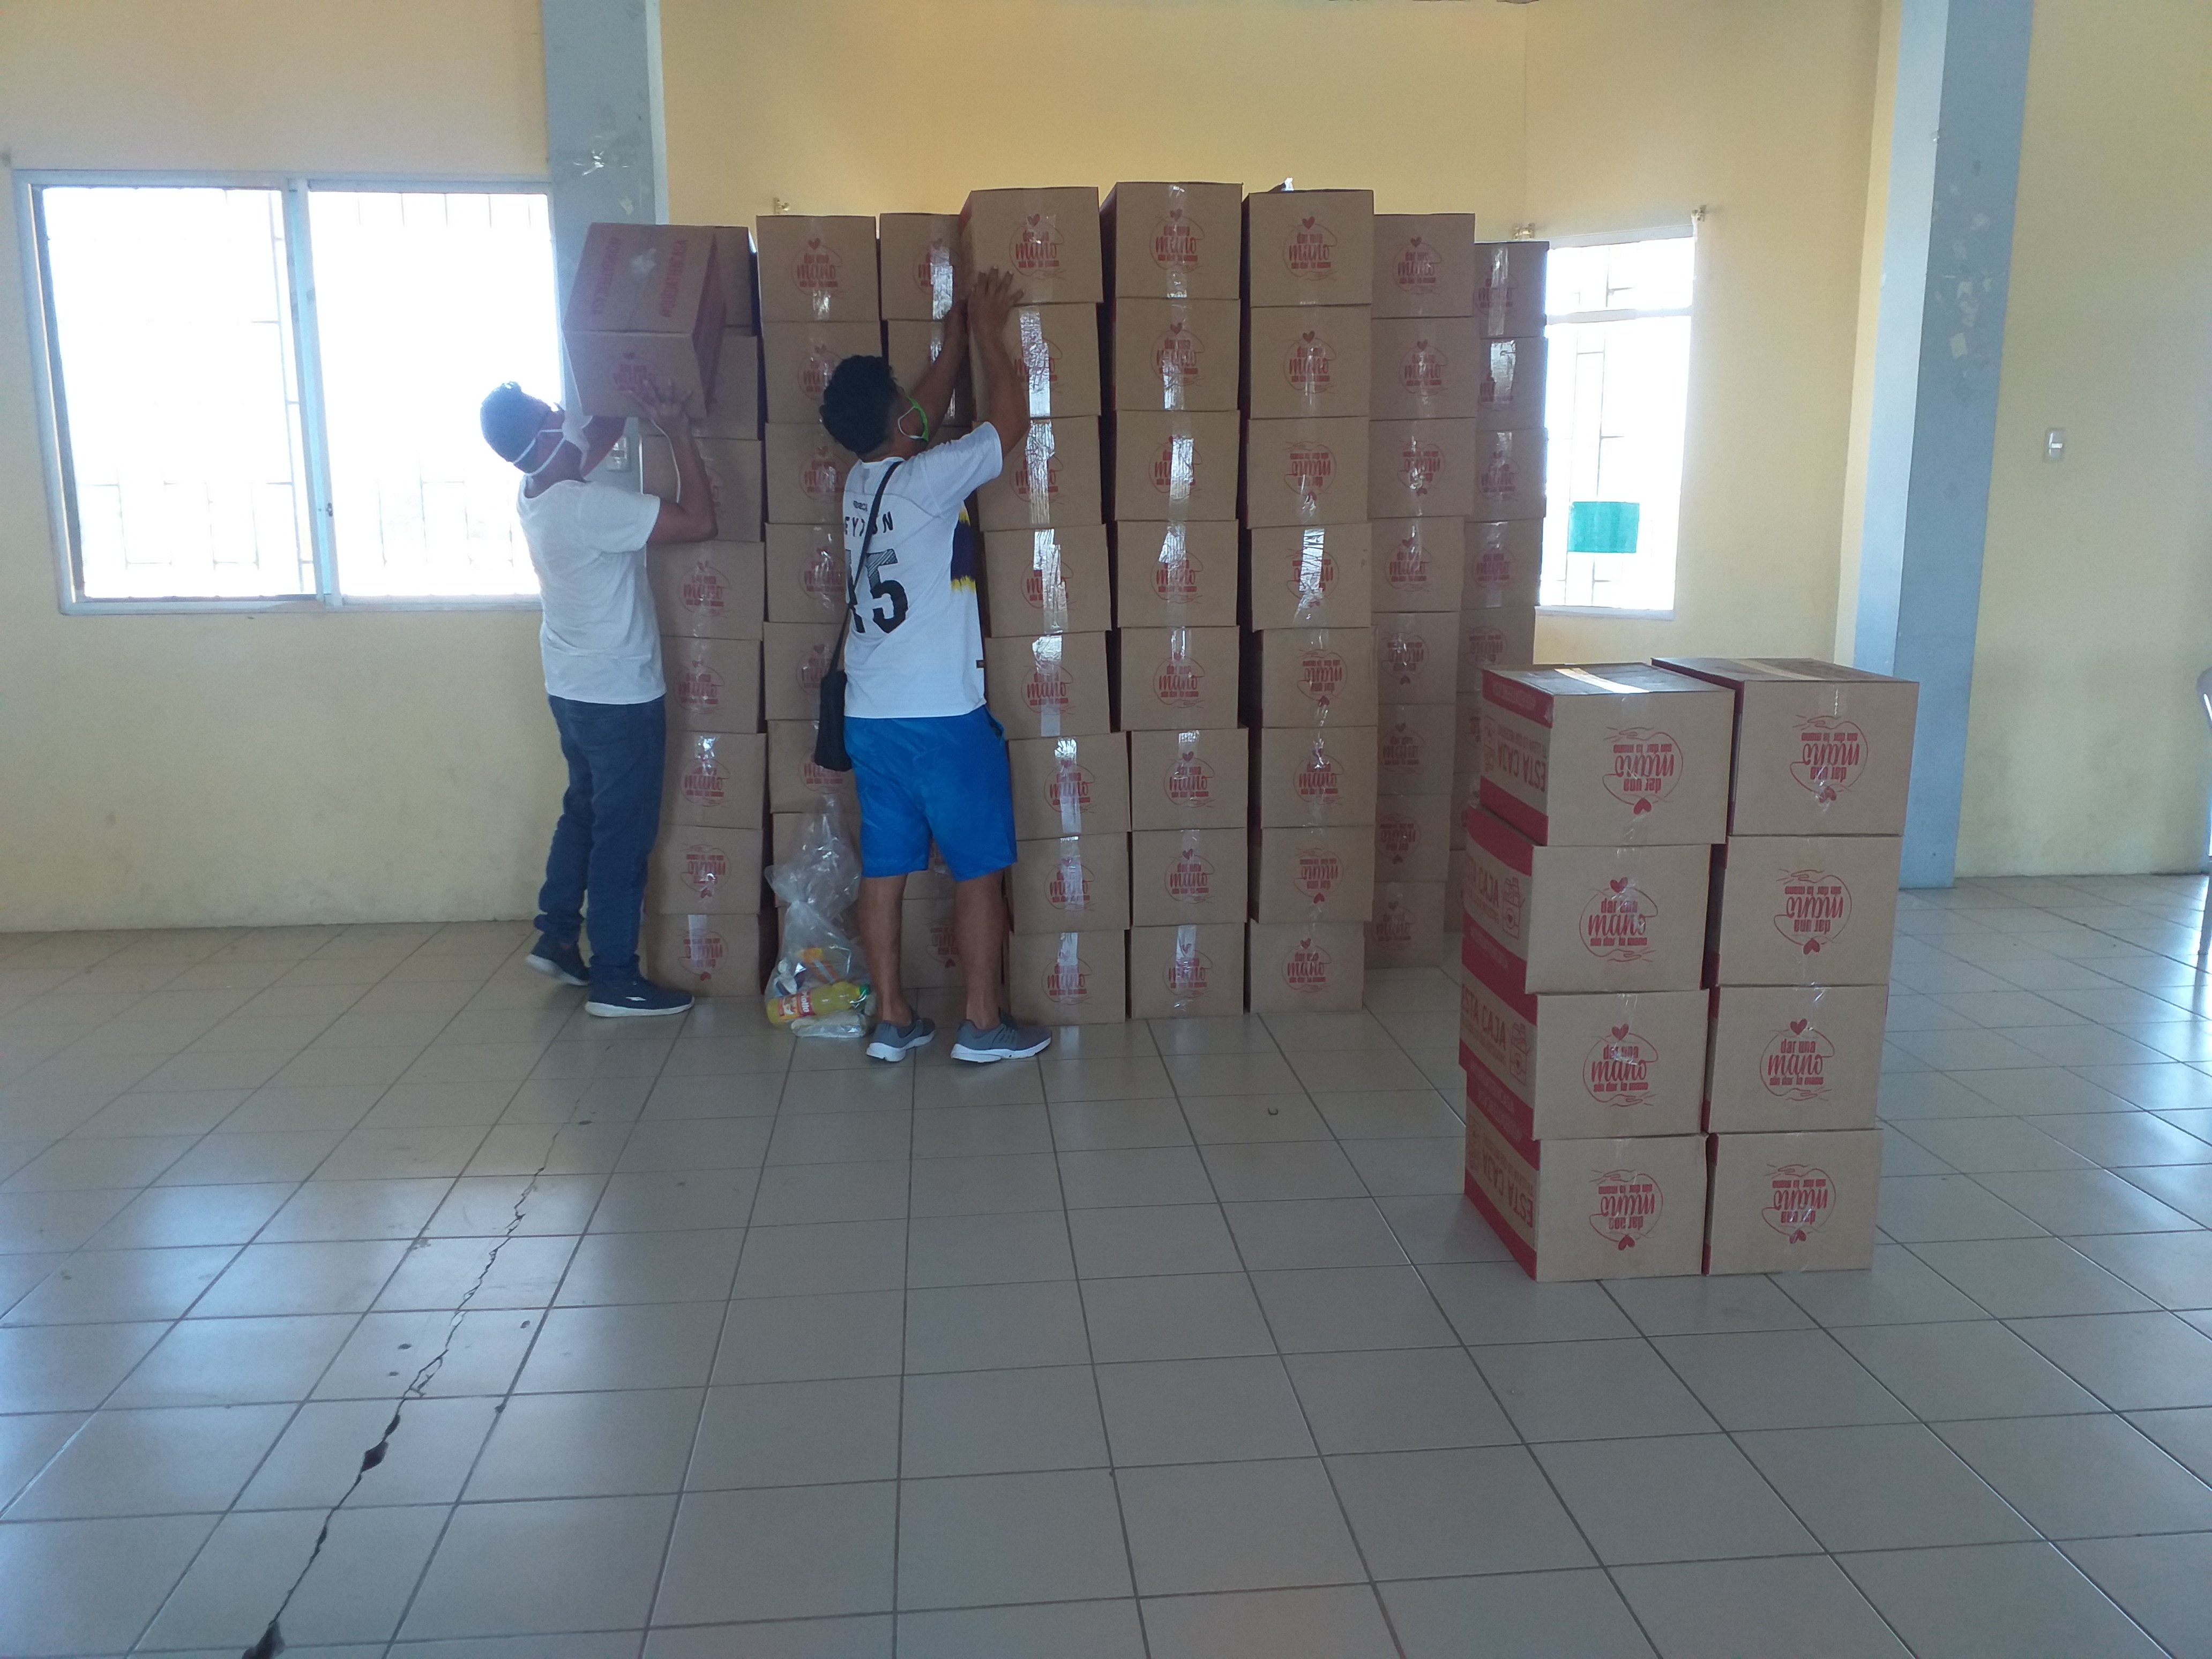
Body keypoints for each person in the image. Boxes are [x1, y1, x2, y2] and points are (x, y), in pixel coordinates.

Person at [816, 269, 1051, 1064]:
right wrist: (986, 332)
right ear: (893, 413)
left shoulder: (861, 484)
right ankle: (981, 1025)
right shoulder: (926, 479)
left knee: (886, 869)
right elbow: (1011, 421)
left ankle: (893, 1019)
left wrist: (948, 342)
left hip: (872, 718)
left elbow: (911, 420)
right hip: (942, 718)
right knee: (977, 869)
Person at [477, 376, 717, 1017]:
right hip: (619, 696)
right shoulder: (588, 508)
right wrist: (677, 433)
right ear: (542, 440)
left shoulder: (535, 491)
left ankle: (558, 934)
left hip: (571, 687)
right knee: (622, 836)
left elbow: (589, 442)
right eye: (551, 414)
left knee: (583, 809)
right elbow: (700, 521)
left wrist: (627, 393)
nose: (565, 414)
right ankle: (615, 978)